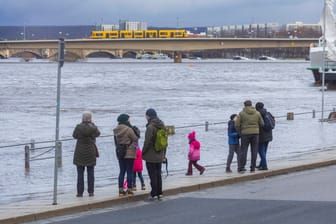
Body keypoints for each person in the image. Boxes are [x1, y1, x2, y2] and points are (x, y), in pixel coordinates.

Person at [73, 111, 100, 197]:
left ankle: (79, 192)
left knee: (80, 173)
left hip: (80, 152)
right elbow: (98, 134)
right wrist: (93, 125)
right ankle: (91, 192)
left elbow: (74, 136)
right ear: (90, 118)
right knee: (91, 173)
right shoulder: (94, 128)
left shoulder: (78, 127)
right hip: (91, 152)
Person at [142, 108, 166, 201]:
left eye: (146, 115)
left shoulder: (150, 127)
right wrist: (164, 153)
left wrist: (143, 152)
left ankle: (154, 193)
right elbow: (165, 141)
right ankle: (160, 192)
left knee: (152, 174)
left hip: (151, 155)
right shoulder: (162, 125)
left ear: (148, 116)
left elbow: (147, 141)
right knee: (158, 173)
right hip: (160, 153)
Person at [113, 113, 140, 196]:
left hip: (120, 153)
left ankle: (120, 189)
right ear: (125, 120)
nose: (129, 120)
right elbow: (135, 139)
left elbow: (116, 142)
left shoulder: (115, 130)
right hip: (130, 153)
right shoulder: (129, 129)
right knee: (129, 171)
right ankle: (129, 188)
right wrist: (137, 132)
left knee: (122, 171)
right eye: (128, 119)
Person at [235, 100, 264, 173]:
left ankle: (242, 167)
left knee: (244, 151)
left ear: (244, 105)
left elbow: (237, 125)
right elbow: (262, 124)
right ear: (251, 105)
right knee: (254, 151)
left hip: (245, 134)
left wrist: (240, 132)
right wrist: (257, 129)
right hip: (255, 133)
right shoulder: (257, 113)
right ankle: (253, 167)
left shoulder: (241, 114)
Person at [255, 102, 273, 170]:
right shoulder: (268, 113)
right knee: (264, 151)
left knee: (260, 151)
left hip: (261, 135)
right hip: (269, 134)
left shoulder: (258, 114)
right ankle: (261, 164)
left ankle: (264, 166)